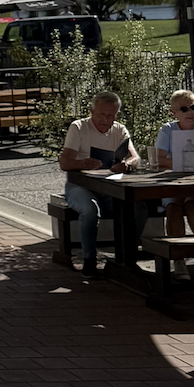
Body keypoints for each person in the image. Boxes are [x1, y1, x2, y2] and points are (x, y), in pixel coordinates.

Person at [58, 90, 142, 278]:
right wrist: (82, 163)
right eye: (101, 115)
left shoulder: (119, 130)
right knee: (89, 210)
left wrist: (126, 165)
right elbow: (64, 162)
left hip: (109, 186)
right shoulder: (79, 127)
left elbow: (135, 157)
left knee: (138, 208)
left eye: (110, 115)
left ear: (117, 115)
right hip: (80, 185)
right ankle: (89, 260)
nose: (105, 120)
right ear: (91, 112)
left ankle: (127, 256)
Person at [153, 88, 194, 278]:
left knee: (192, 206)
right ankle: (179, 260)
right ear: (173, 112)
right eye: (184, 109)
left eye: (193, 107)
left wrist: (177, 161)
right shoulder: (167, 130)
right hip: (173, 182)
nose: (190, 112)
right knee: (173, 209)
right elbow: (159, 159)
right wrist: (191, 161)